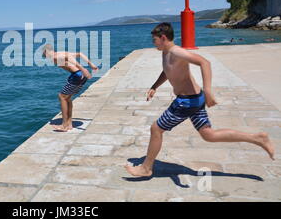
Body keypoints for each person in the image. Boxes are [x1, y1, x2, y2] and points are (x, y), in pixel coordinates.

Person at [125, 22, 275, 177]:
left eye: (154, 40)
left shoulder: (177, 52)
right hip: (194, 99)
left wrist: (208, 91)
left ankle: (146, 168)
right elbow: (167, 70)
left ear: (163, 38)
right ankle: (257, 138)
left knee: (156, 129)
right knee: (209, 135)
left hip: (186, 102)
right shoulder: (166, 52)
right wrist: (154, 86)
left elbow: (204, 62)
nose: (153, 43)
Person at [42, 44, 98, 132]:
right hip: (79, 75)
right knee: (67, 98)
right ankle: (69, 124)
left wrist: (83, 68)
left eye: (44, 55)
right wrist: (91, 65)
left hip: (77, 75)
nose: (45, 57)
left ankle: (64, 125)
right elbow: (80, 54)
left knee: (62, 97)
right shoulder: (61, 53)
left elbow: (68, 58)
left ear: (46, 51)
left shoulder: (56, 57)